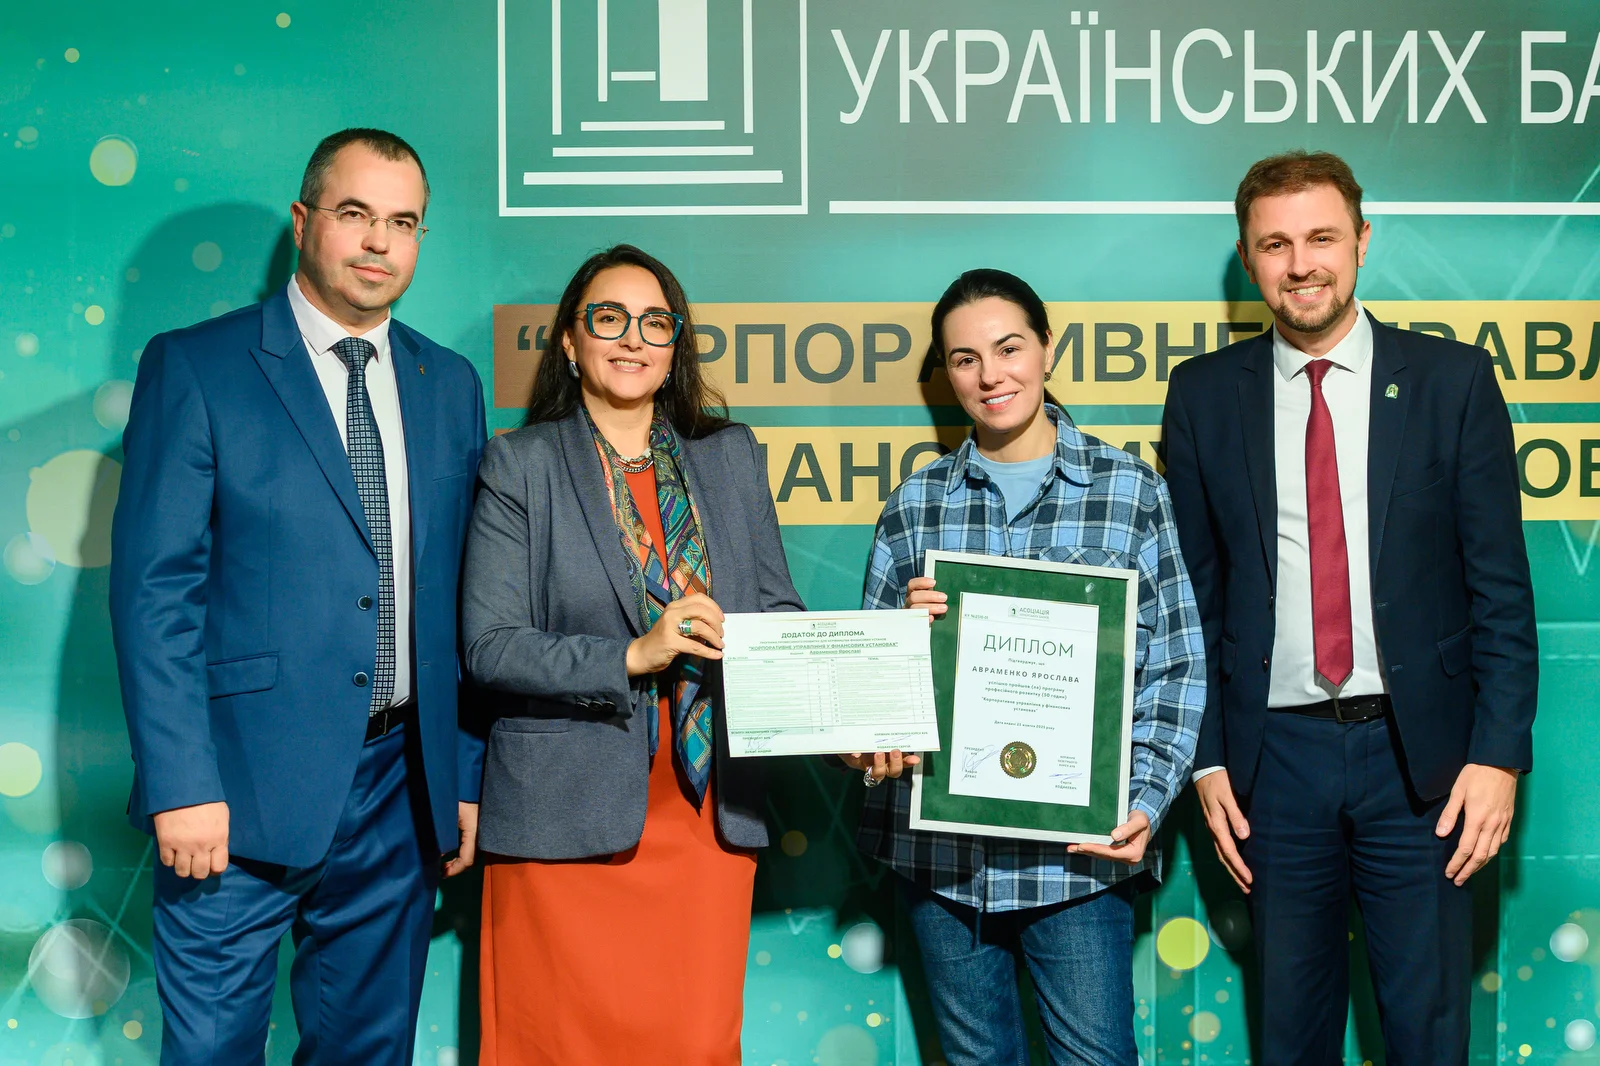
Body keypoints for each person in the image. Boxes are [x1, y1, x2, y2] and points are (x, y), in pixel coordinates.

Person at [109, 128, 487, 1064]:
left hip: (400, 790)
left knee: (369, 1052)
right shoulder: (197, 367)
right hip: (233, 796)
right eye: (355, 213)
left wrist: (462, 772)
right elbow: (155, 592)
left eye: (403, 222)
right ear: (304, 220)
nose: (378, 241)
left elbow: (465, 600)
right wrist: (182, 783)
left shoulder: (449, 384)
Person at [1159, 150, 1537, 1064]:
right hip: (1274, 767)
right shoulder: (1203, 395)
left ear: (1362, 242)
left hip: (1424, 767)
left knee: (1428, 1032)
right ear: (1248, 259)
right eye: (1276, 245)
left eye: (1322, 238)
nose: (1302, 265)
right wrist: (1205, 759)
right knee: (1291, 1035)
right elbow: (1192, 596)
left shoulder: (1452, 382)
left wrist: (1498, 755)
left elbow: (1500, 589)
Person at [850, 269, 1206, 1065]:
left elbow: (1177, 664)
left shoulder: (1131, 492)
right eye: (965, 359)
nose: (990, 375)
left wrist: (1146, 801)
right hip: (943, 862)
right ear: (947, 374)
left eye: (1009, 349)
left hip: (1075, 861)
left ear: (1048, 347)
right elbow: (870, 695)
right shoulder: (914, 506)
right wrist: (901, 647)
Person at [461, 244, 804, 1065]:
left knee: (694, 1045)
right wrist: (631, 655)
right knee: (556, 1048)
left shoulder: (731, 456)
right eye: (609, 318)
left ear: (676, 343)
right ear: (570, 340)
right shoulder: (522, 463)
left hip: (704, 811)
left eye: (655, 322)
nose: (632, 338)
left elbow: (779, 617)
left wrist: (854, 715)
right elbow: (489, 645)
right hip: (564, 815)